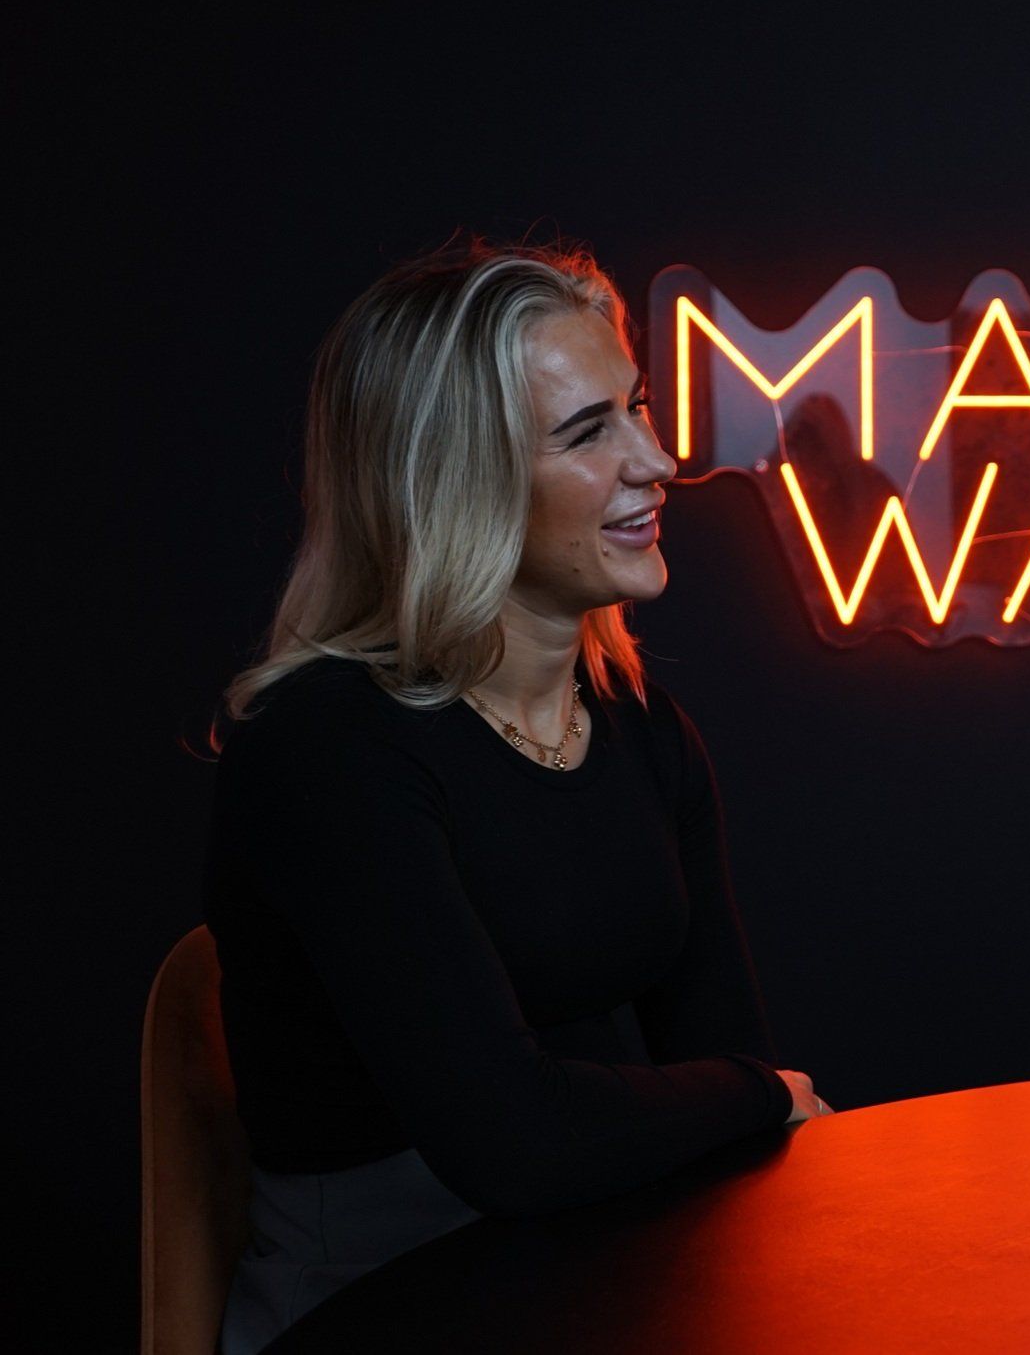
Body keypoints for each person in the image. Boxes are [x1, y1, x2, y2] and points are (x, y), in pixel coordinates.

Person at [203, 238, 832, 1355]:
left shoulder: (637, 723)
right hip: (379, 1294)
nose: (655, 460)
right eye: (589, 432)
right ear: (456, 480)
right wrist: (752, 1091)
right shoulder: (325, 749)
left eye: (635, 409)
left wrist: (745, 1098)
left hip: (603, 1260)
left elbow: (732, 1070)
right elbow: (516, 1141)